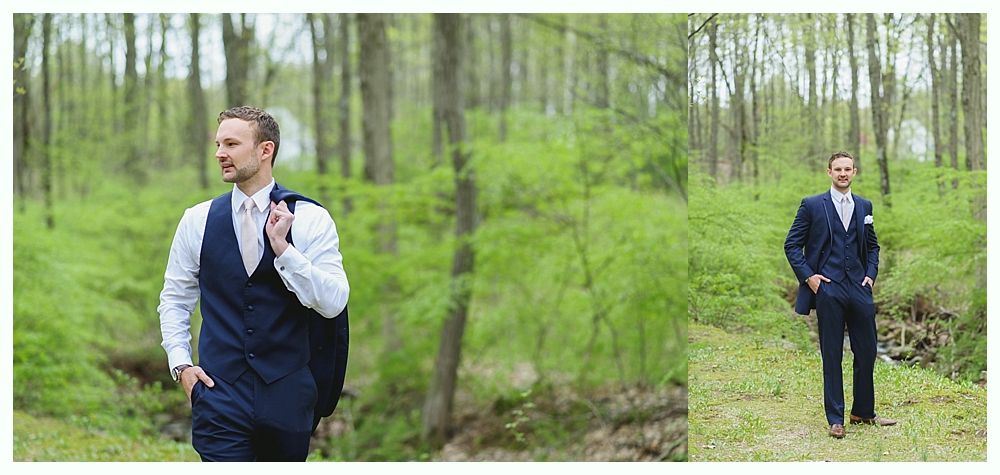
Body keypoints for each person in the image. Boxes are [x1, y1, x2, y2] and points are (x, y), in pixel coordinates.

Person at [158, 106, 349, 461]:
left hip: (288, 393)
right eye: (218, 144)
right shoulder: (196, 221)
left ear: (265, 150)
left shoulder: (310, 219)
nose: (220, 153)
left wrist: (285, 251)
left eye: (231, 143)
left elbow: (334, 301)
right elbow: (174, 299)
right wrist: (181, 366)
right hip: (219, 393)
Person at [783, 151, 896, 439]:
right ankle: (836, 418)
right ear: (829, 172)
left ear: (855, 172)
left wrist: (871, 274)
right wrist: (810, 279)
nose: (843, 173)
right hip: (828, 288)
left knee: (868, 350)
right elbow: (792, 245)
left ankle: (863, 412)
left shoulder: (864, 206)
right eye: (838, 169)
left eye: (848, 169)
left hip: (859, 287)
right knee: (832, 353)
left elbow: (872, 246)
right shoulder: (811, 205)